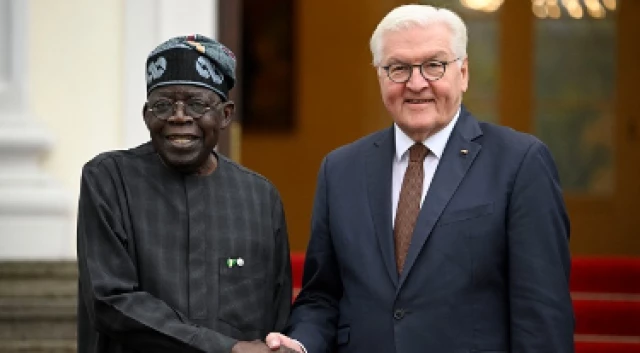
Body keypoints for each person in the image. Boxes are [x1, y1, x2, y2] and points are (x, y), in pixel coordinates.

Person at [267, 4, 574, 353]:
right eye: (398, 68)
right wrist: (301, 344)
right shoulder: (340, 169)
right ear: (380, 76)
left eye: (434, 65)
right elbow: (322, 297)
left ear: (464, 72)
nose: (416, 83)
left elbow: (542, 315)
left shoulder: (520, 162)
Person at [76, 34, 292, 353]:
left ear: (226, 114)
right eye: (163, 105)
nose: (179, 116)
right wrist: (227, 349)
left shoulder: (260, 197)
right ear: (147, 115)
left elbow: (277, 312)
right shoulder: (108, 179)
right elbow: (110, 301)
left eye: (196, 104)